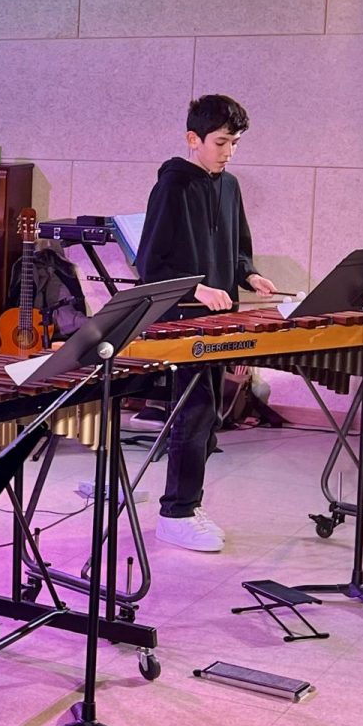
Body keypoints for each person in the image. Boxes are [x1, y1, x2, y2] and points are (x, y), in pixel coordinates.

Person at [135, 94, 277, 553]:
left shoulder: (229, 186)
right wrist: (197, 289)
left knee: (209, 416)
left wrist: (249, 274)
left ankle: (187, 505)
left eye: (235, 143)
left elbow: (236, 250)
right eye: (221, 142)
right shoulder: (172, 186)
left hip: (220, 317)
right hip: (183, 318)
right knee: (194, 414)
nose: (228, 152)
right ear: (192, 139)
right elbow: (151, 264)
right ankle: (175, 514)